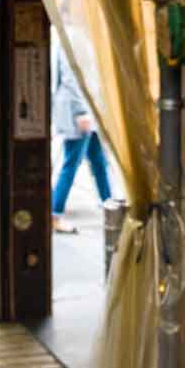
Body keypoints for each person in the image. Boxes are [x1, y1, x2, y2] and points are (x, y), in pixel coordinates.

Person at [51, 43, 111, 233]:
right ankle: (54, 213)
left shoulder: (75, 31)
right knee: (72, 162)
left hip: (86, 109)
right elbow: (72, 78)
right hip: (79, 111)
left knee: (98, 159)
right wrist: (81, 112)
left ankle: (108, 206)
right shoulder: (74, 33)